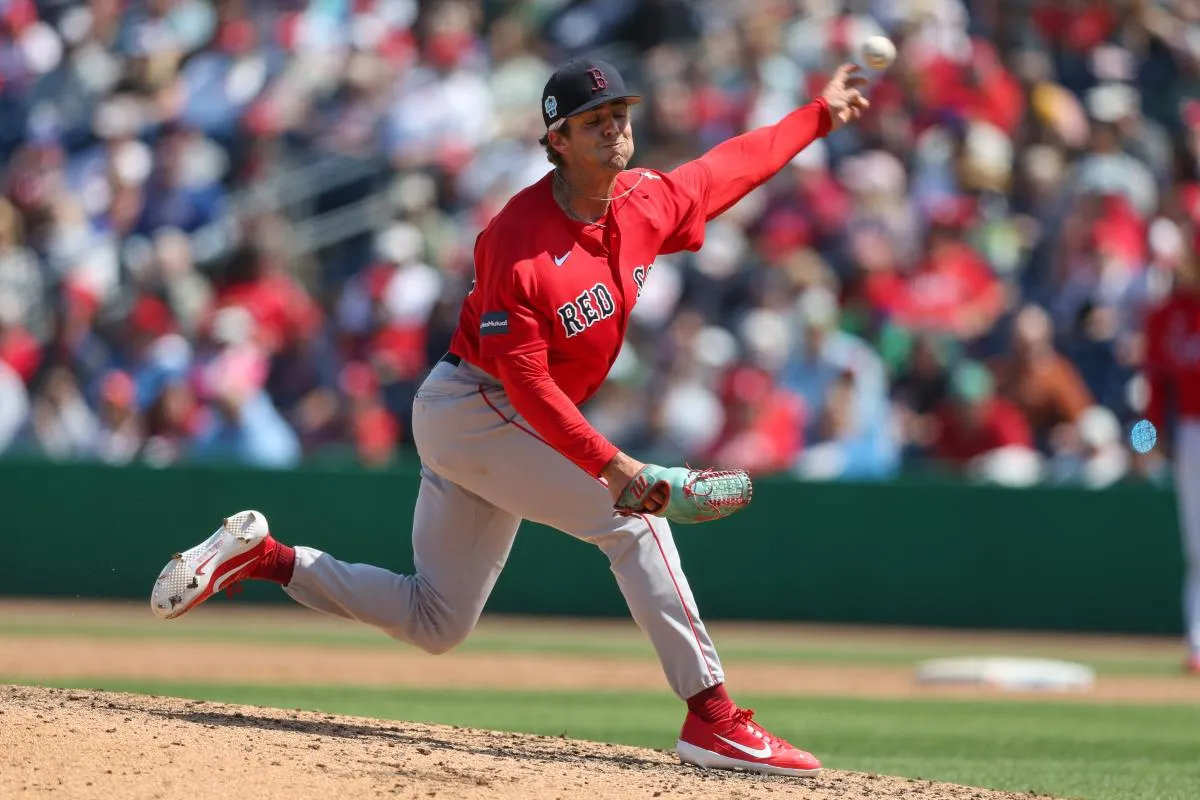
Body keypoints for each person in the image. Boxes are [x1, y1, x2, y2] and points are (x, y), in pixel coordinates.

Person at [151, 56, 870, 774]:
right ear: (556, 137)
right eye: (595, 120)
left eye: (621, 113)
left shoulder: (646, 200)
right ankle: (713, 718)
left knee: (436, 620)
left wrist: (816, 115)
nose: (615, 128)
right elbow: (525, 382)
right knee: (635, 520)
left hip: (497, 423)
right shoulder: (517, 241)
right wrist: (616, 467)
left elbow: (729, 167)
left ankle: (262, 556)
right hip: (477, 406)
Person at [1143, 251, 1200, 675]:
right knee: (1197, 545)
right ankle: (1197, 642)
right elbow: (1153, 389)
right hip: (1190, 433)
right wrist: (1144, 443)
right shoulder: (1166, 314)